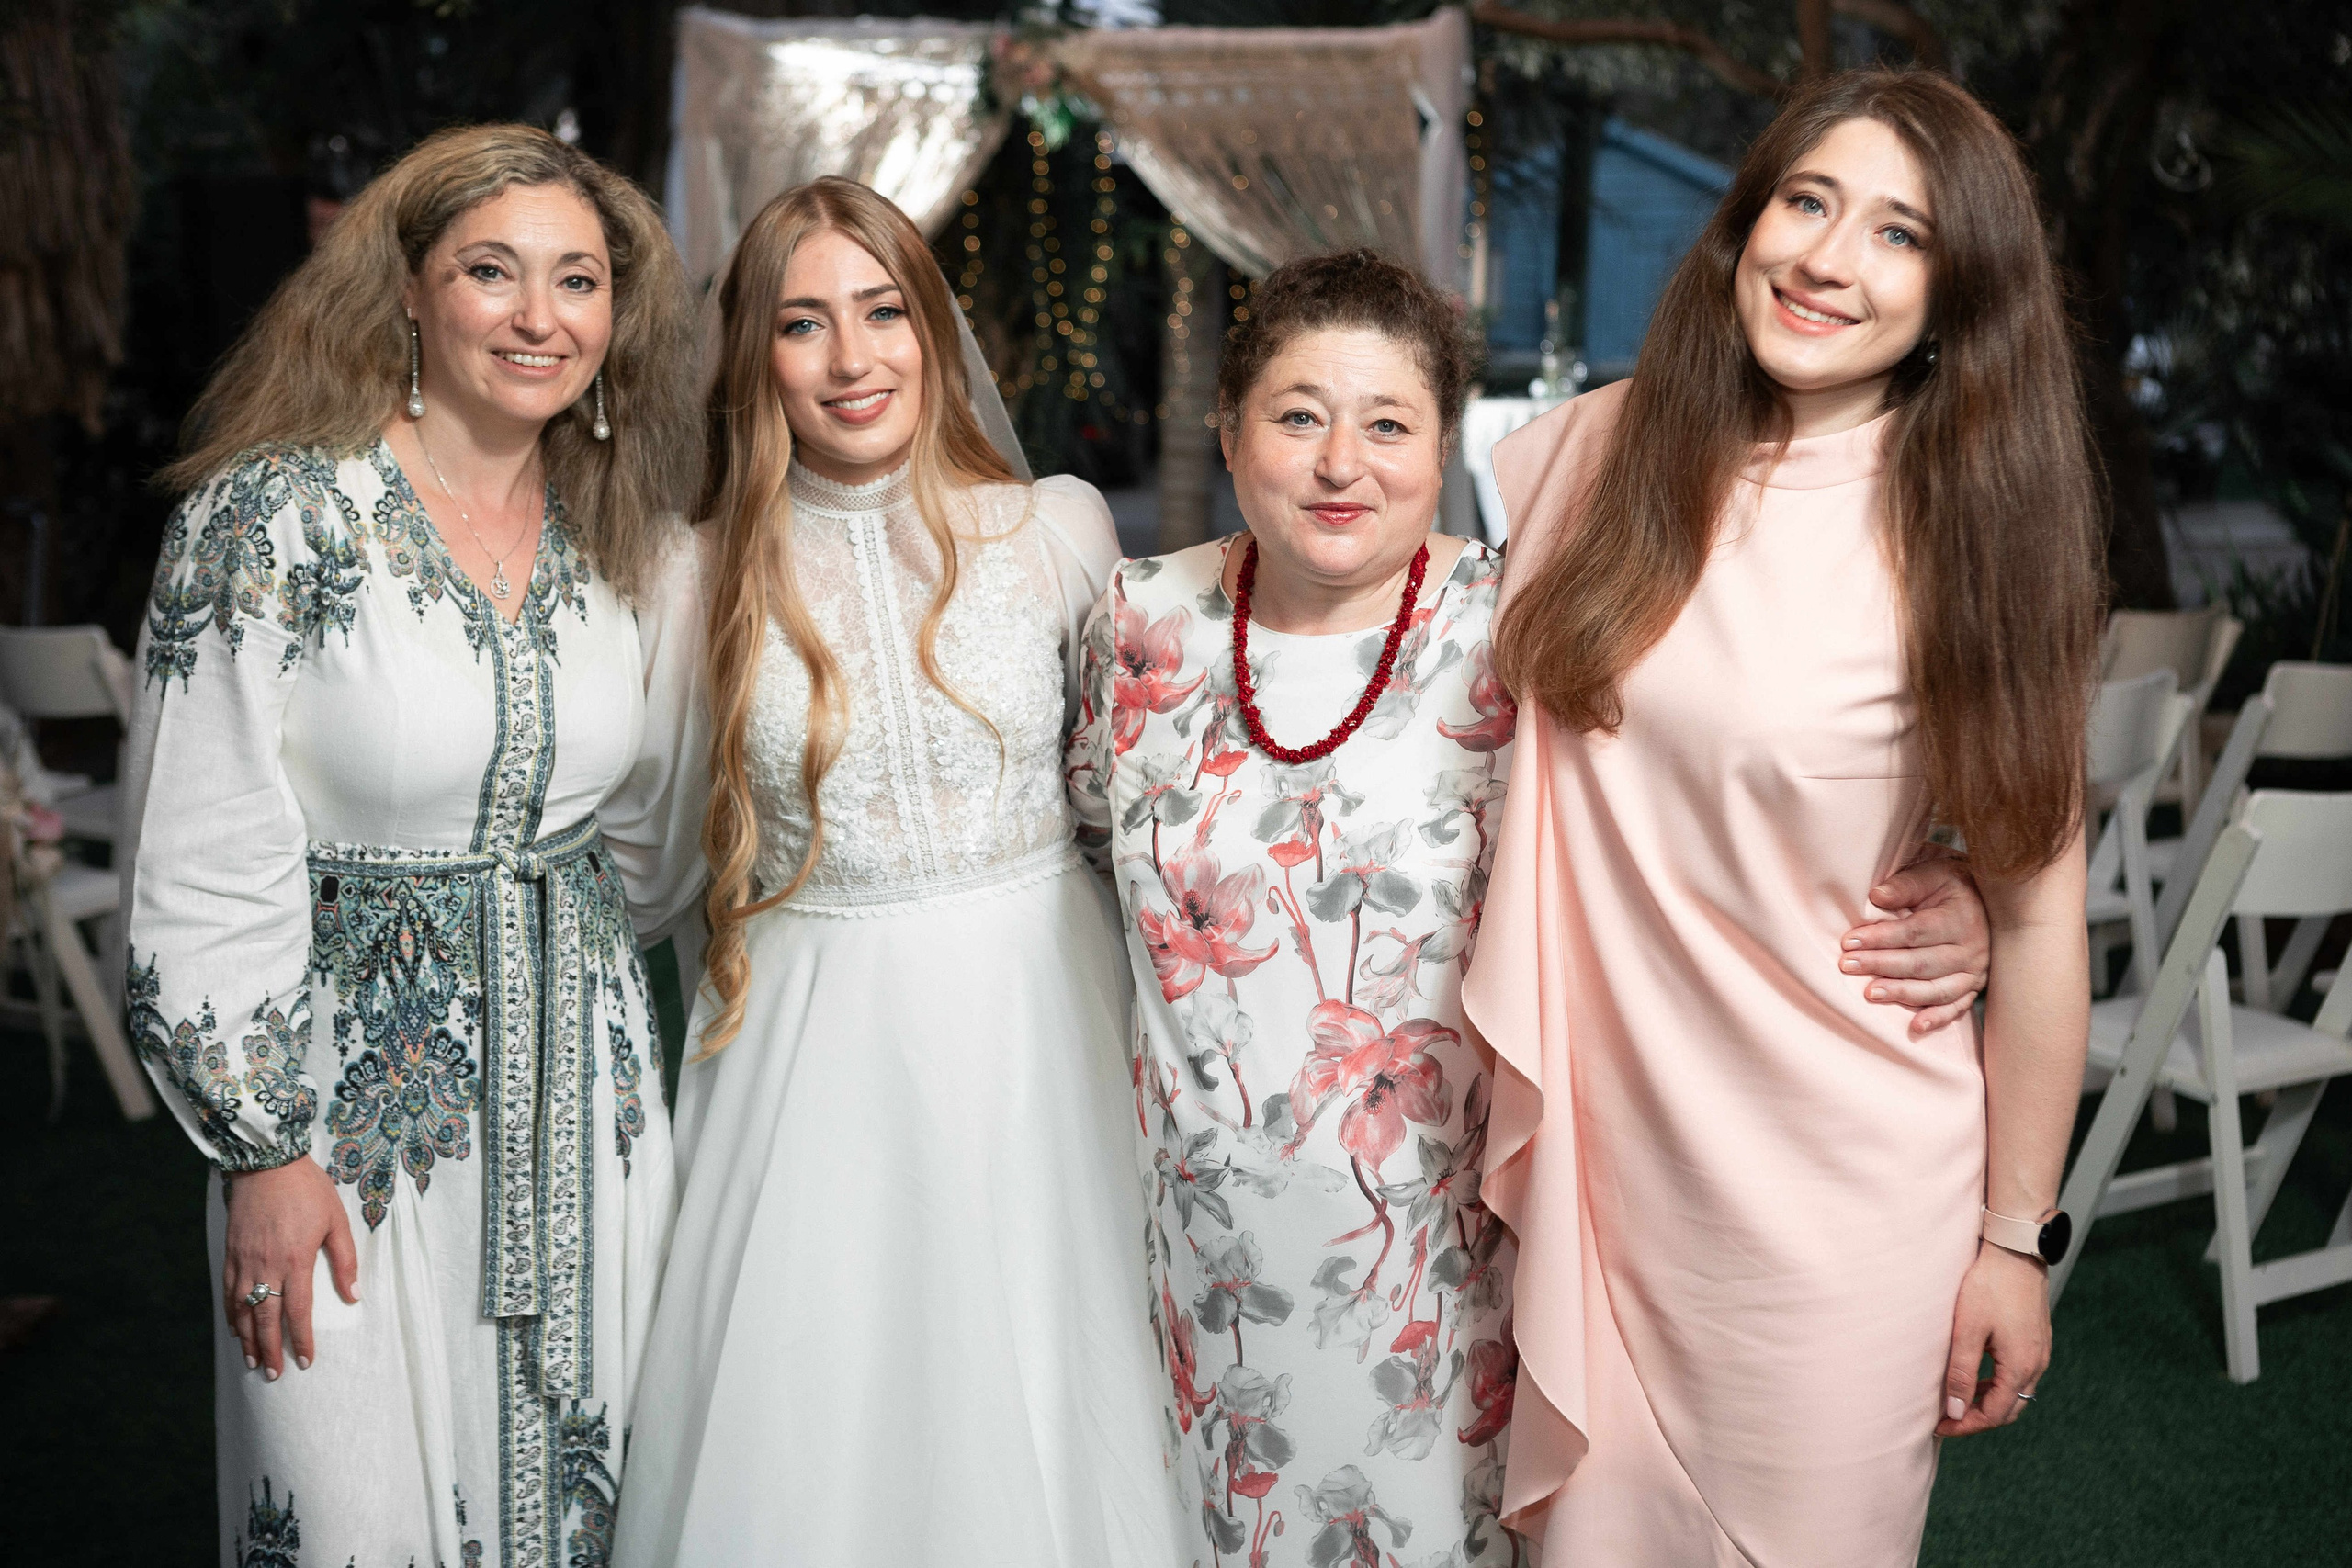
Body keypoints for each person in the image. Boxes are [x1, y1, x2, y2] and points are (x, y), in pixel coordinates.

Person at [1067, 250, 1996, 1568]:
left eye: (1389, 424)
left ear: (1446, 447)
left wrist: (1950, 872)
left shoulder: (1521, 623)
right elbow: (1061, 865)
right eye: (1296, 415)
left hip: (1453, 1257)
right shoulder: (1132, 621)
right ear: (1228, 431)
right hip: (1198, 1248)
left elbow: (1733, 768)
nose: (1342, 461)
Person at [1468, 70, 2100, 1564]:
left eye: (1899, 233)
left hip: (1836, 1212)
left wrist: (2016, 1242)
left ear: (1958, 296)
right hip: (1607, 1167)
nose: (1826, 257)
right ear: (1745, 220)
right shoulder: (1597, 456)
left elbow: (2043, 913)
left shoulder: (1973, 529)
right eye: (1807, 202)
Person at [126, 124, 708, 1567]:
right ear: (406, 289)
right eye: (492, 272)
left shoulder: (621, 529)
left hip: (590, 1113)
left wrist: (565, 987)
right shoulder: (270, 520)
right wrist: (262, 1150)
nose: (539, 317)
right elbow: (198, 857)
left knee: (605, 1490)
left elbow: (640, 836)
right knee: (347, 1503)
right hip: (347, 1126)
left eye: (578, 282)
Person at [611, 178, 1179, 1568]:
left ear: (931, 327)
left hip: (1045, 1026)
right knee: (830, 1405)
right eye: (804, 324)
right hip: (815, 1051)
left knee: (1066, 1379)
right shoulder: (694, 576)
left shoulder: (1056, 529)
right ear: (757, 358)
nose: (852, 358)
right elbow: (647, 853)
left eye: (881, 312)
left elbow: (1139, 799)